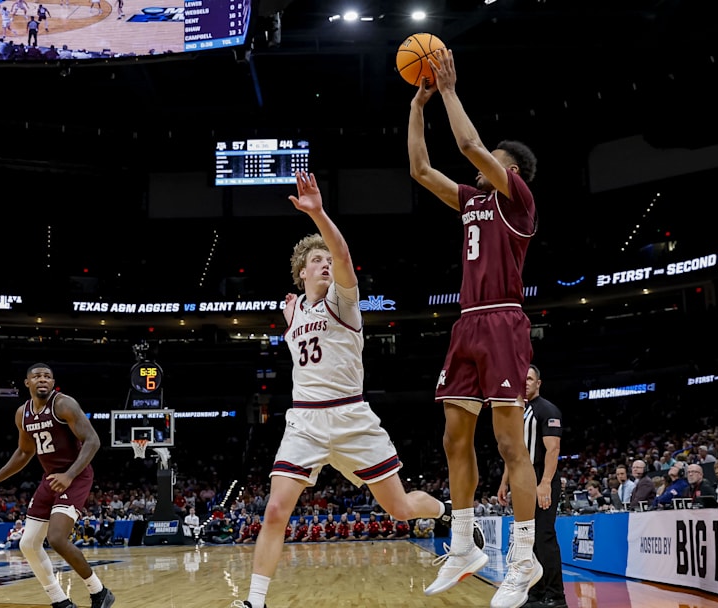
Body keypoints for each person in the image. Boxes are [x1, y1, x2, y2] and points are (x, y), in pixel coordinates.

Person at [232, 171, 467, 608]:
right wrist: (291, 319)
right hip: (305, 419)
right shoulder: (294, 311)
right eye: (316, 261)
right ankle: (254, 601)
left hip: (351, 416)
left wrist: (318, 214)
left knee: (398, 509)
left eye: (327, 260)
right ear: (302, 272)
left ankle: (446, 511)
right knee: (275, 511)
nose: (325, 263)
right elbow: (298, 324)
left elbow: (342, 252)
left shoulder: (344, 302)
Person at [408, 47, 541, 607]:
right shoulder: (471, 201)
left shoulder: (518, 199)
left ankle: (525, 558)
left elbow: (467, 145)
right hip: (466, 325)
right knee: (452, 437)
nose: (478, 166)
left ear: (509, 171)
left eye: (492, 162)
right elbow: (419, 169)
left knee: (510, 444)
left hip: (504, 321)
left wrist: (449, 89)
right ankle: (463, 545)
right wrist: (418, 104)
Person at [0, 364, 115, 608]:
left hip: (76, 476)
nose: (42, 379)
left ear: (53, 382)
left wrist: (70, 475)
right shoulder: (23, 413)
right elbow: (24, 452)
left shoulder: (63, 404)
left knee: (56, 538)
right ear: (27, 383)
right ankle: (60, 601)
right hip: (51, 478)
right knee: (27, 543)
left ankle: (99, 591)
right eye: (37, 376)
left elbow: (93, 440)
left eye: (47, 376)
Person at [499, 365, 565, 608]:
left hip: (539, 479)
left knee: (544, 537)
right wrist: (505, 481)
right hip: (520, 480)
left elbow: (553, 450)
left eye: (529, 379)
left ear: (538, 383)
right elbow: (514, 452)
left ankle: (556, 596)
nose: (525, 382)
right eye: (522, 379)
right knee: (527, 540)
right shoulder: (517, 413)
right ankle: (535, 592)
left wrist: (545, 483)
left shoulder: (547, 410)